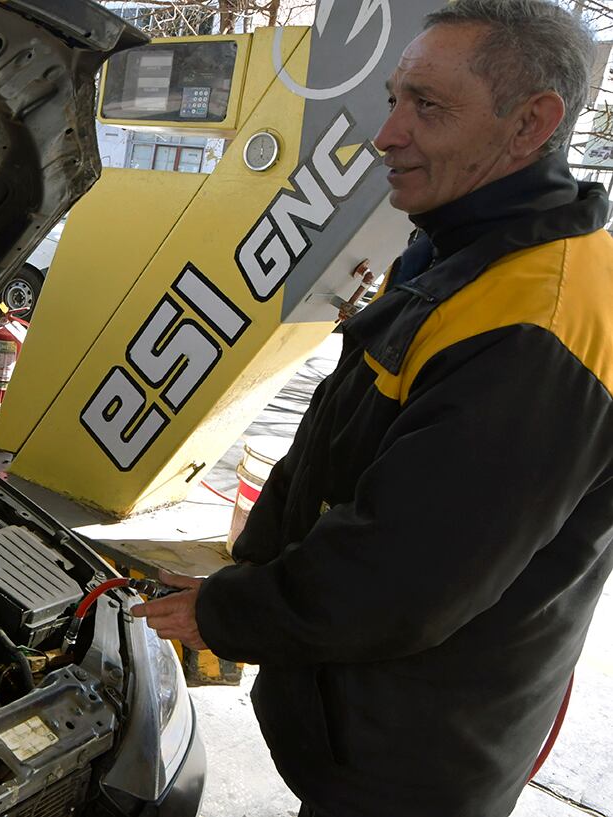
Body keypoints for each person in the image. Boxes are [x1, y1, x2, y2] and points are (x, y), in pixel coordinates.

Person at [130, 2, 613, 815]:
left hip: (413, 758)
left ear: (531, 123)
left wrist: (228, 611)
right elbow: (350, 444)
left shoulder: (538, 325)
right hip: (374, 721)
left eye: (427, 106)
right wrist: (250, 570)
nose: (387, 134)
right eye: (393, 98)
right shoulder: (465, 246)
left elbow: (400, 574)